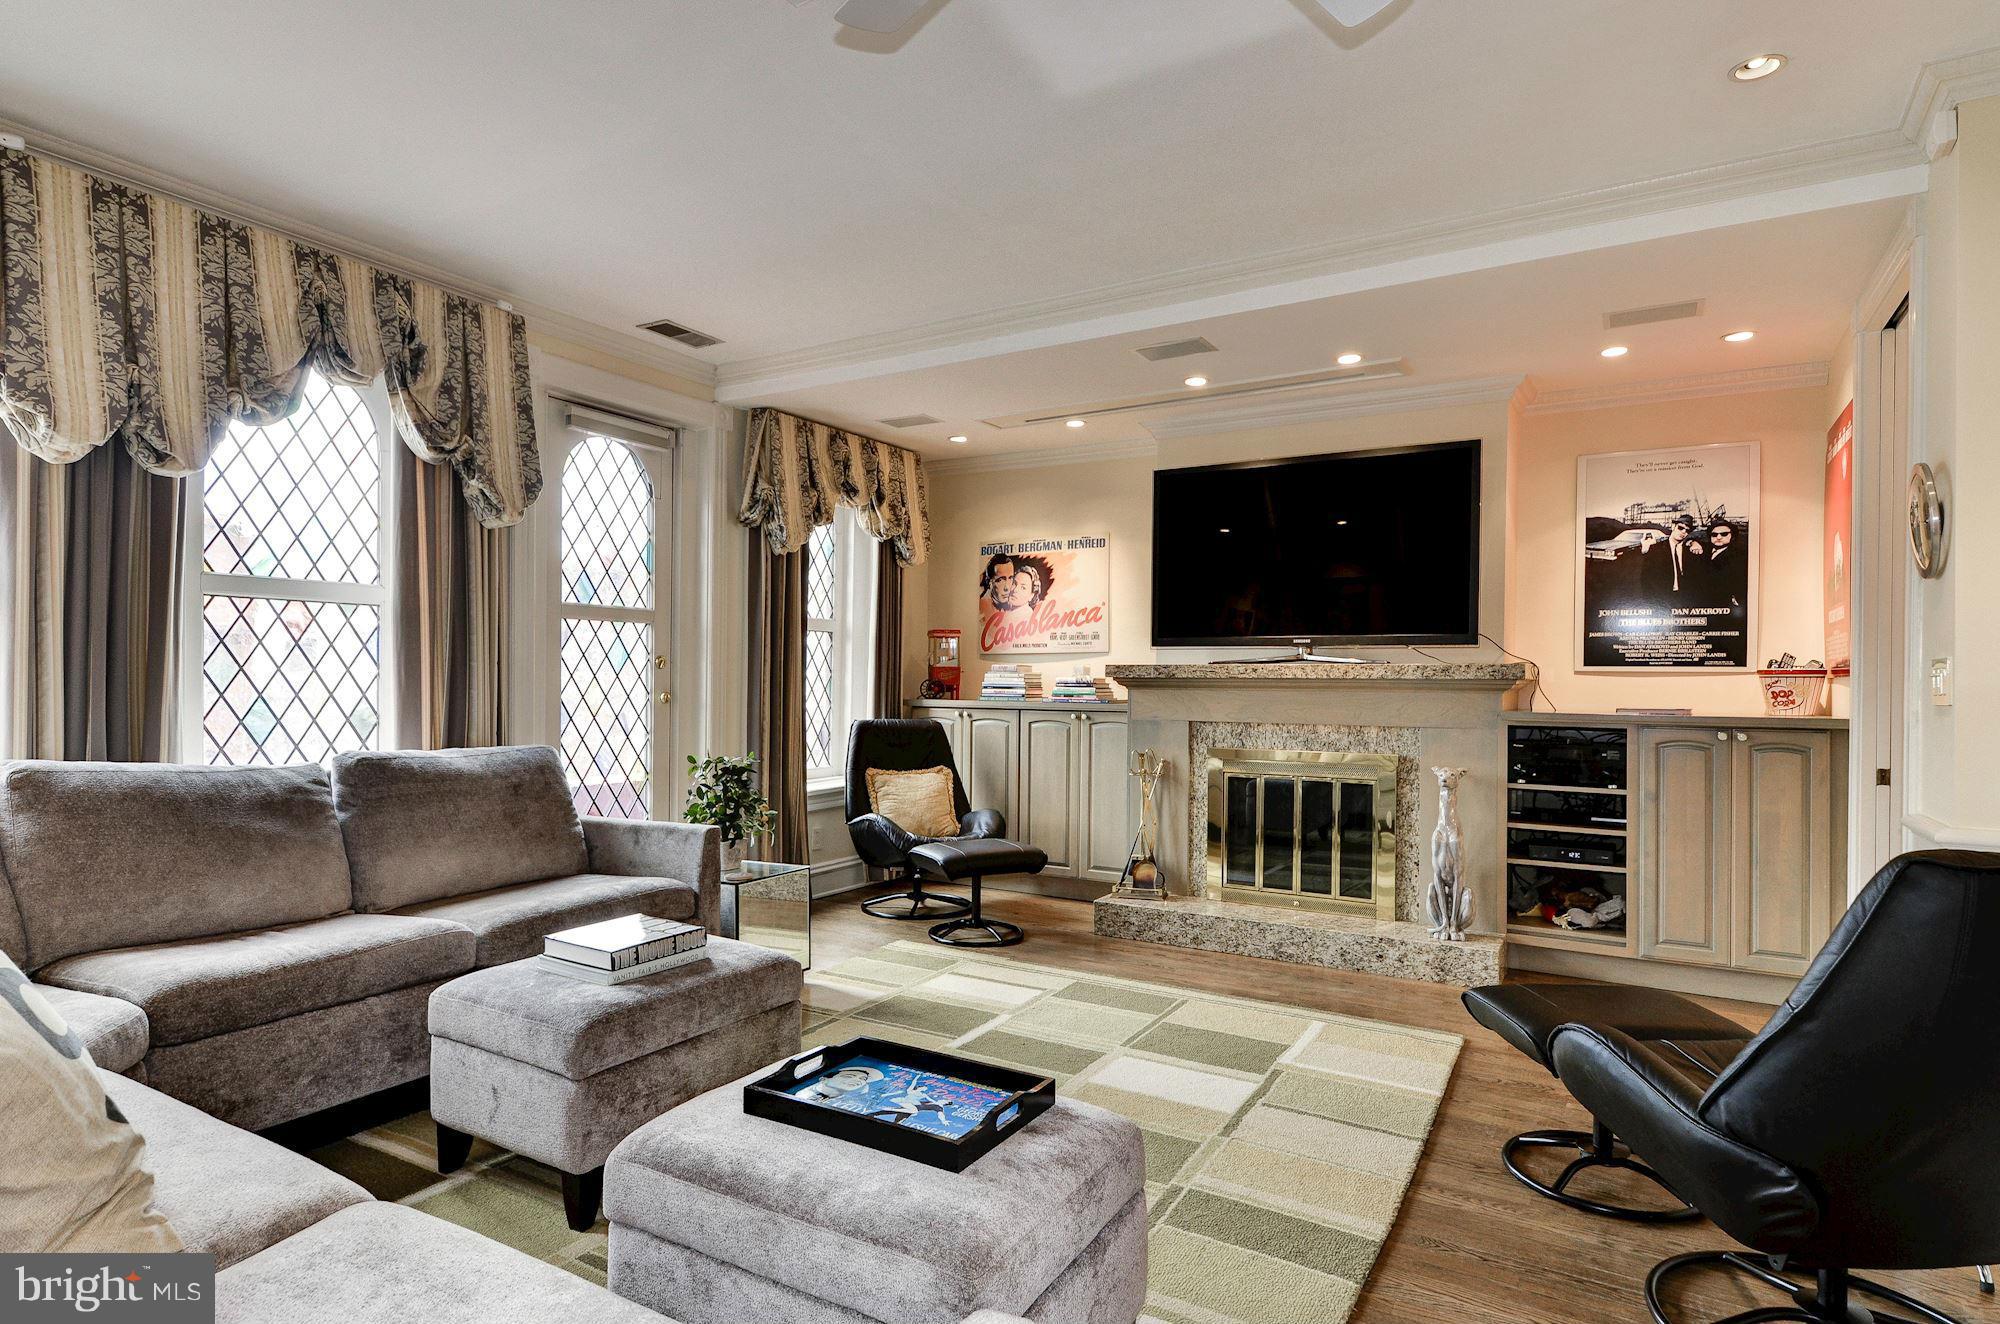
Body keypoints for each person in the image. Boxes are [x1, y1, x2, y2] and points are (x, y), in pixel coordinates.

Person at [1639, 514, 1704, 599]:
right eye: (1680, 528)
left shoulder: (1690, 550)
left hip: (1685, 597)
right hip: (1662, 598)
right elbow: (1646, 577)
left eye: (1687, 530)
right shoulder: (1656, 548)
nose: (1684, 532)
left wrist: (1694, 542)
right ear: (1673, 526)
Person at [1701, 517, 1748, 610]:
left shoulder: (1739, 556)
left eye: (1724, 534)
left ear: (1732, 536)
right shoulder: (1705, 550)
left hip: (1724, 605)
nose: (1718, 537)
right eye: (1714, 534)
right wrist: (1692, 542)